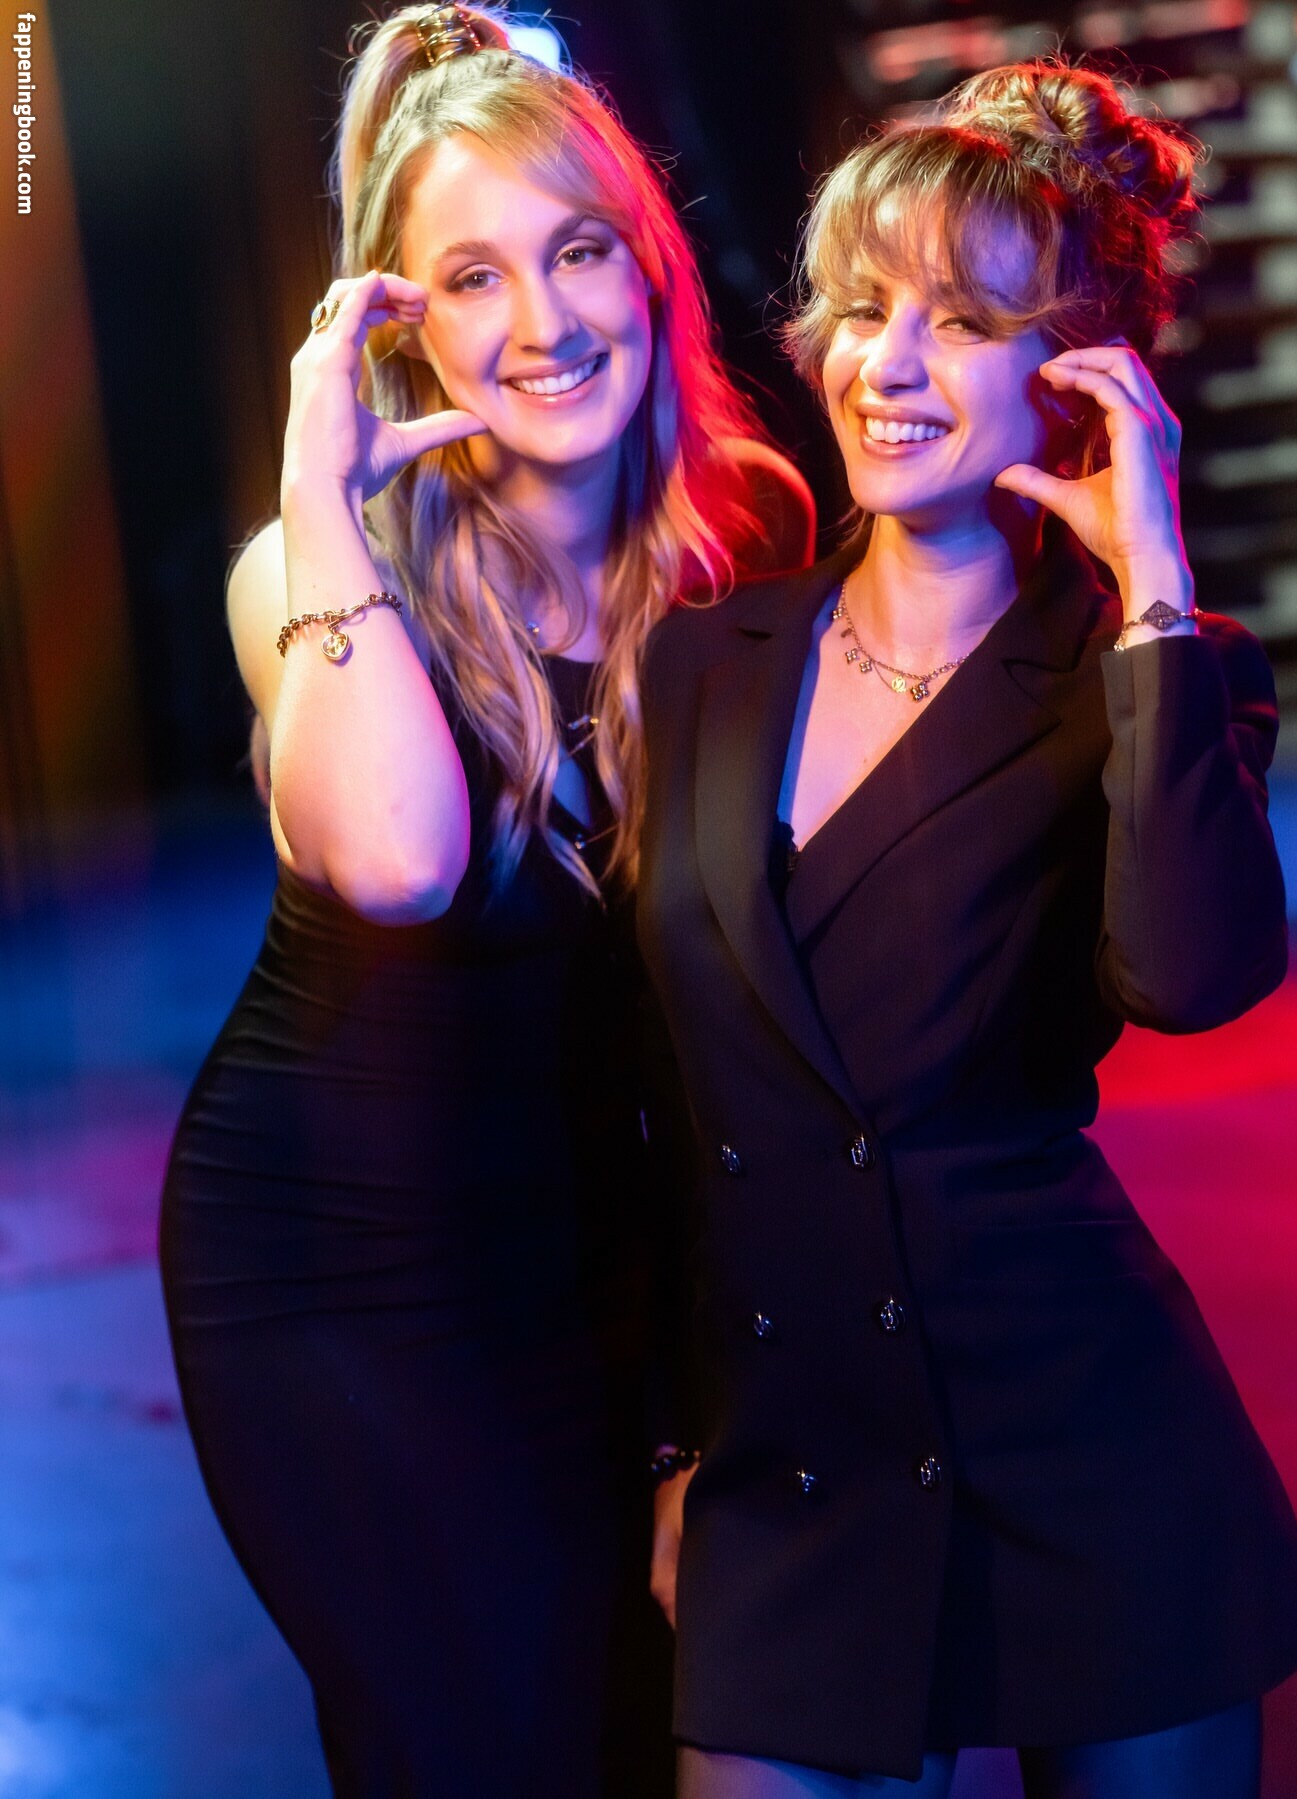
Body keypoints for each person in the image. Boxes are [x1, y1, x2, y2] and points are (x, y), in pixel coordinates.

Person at [637, 58, 1297, 1799]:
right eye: (865, 306)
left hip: (1087, 1454)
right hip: (791, 1465)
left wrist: (1154, 592)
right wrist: (667, 1441)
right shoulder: (707, 663)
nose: (885, 365)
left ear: (1074, 374)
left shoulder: (1149, 674)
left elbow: (1189, 979)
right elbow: (646, 1091)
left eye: (960, 323)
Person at [160, 6, 811, 1795]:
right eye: (470, 277)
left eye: (578, 250)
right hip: (341, 1276)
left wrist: (693, 1400)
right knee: (476, 1742)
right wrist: (319, 488)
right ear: (400, 327)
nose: (543, 323)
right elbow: (400, 862)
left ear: (648, 263)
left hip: (599, 1253)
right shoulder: (309, 575)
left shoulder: (742, 536)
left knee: (636, 1739)